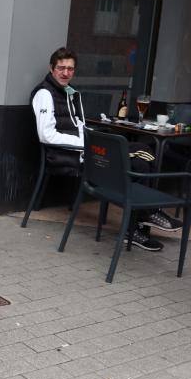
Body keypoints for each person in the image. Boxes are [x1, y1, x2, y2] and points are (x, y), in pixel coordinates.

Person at [31, 47, 180, 251]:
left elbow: (78, 126)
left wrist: (94, 135)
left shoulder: (71, 93)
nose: (66, 73)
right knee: (138, 162)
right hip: (66, 156)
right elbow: (46, 135)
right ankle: (144, 218)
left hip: (85, 152)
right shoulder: (44, 94)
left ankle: (143, 218)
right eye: (61, 68)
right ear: (51, 68)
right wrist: (87, 143)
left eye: (70, 69)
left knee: (142, 155)